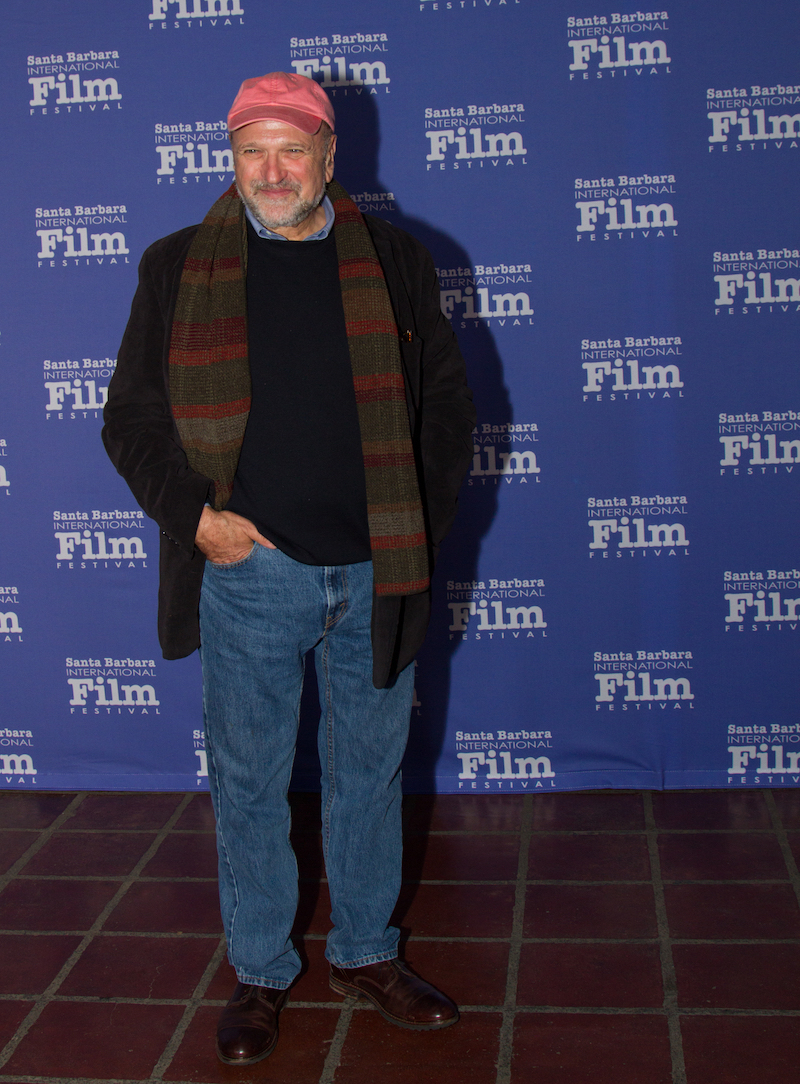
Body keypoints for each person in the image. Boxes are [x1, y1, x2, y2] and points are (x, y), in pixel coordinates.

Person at [103, 71, 475, 1066]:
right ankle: (262, 968)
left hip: (377, 572)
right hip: (249, 576)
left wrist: (414, 530)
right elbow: (131, 418)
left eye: (291, 150)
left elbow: (448, 407)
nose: (271, 172)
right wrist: (197, 521)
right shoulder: (176, 266)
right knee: (251, 784)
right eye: (250, 151)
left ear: (327, 157)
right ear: (230, 157)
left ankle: (365, 953)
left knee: (369, 775)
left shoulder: (396, 261)